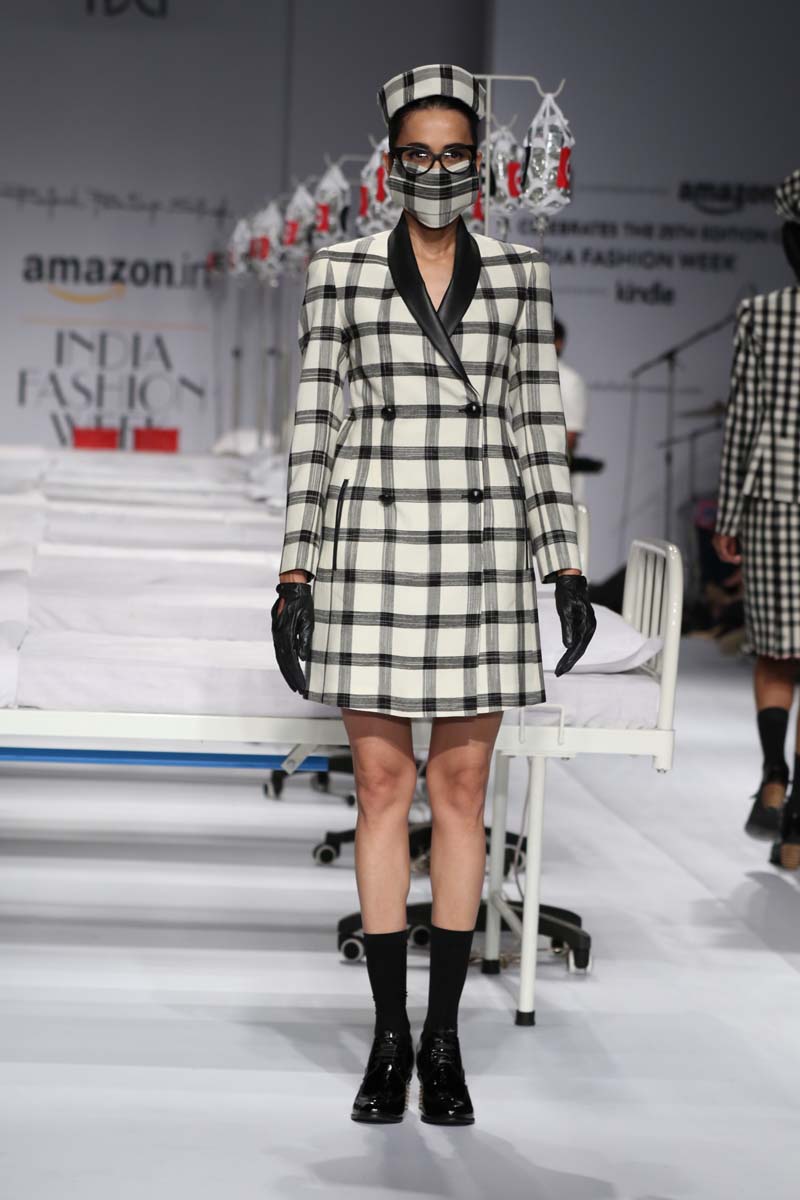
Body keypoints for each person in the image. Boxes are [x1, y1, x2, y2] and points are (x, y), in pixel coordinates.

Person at [272, 63, 596, 1126]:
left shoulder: (520, 273)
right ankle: (387, 1037)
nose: (437, 170)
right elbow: (315, 425)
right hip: (370, 545)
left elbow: (534, 427)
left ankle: (445, 1040)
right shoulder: (338, 270)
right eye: (417, 153)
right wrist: (294, 570)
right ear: (390, 160)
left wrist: (563, 564)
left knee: (459, 795)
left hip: (481, 549)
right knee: (380, 789)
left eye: (455, 154)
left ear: (480, 160)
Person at [712, 166, 800, 870]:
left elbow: (742, 420)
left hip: (775, 496)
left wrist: (728, 514)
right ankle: (796, 825)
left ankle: (775, 777)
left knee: (776, 650)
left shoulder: (763, 314)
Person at [553, 316, 588, 460]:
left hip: (553, 464)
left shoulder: (569, 380)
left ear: (559, 343)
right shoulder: (511, 374)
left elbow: (571, 435)